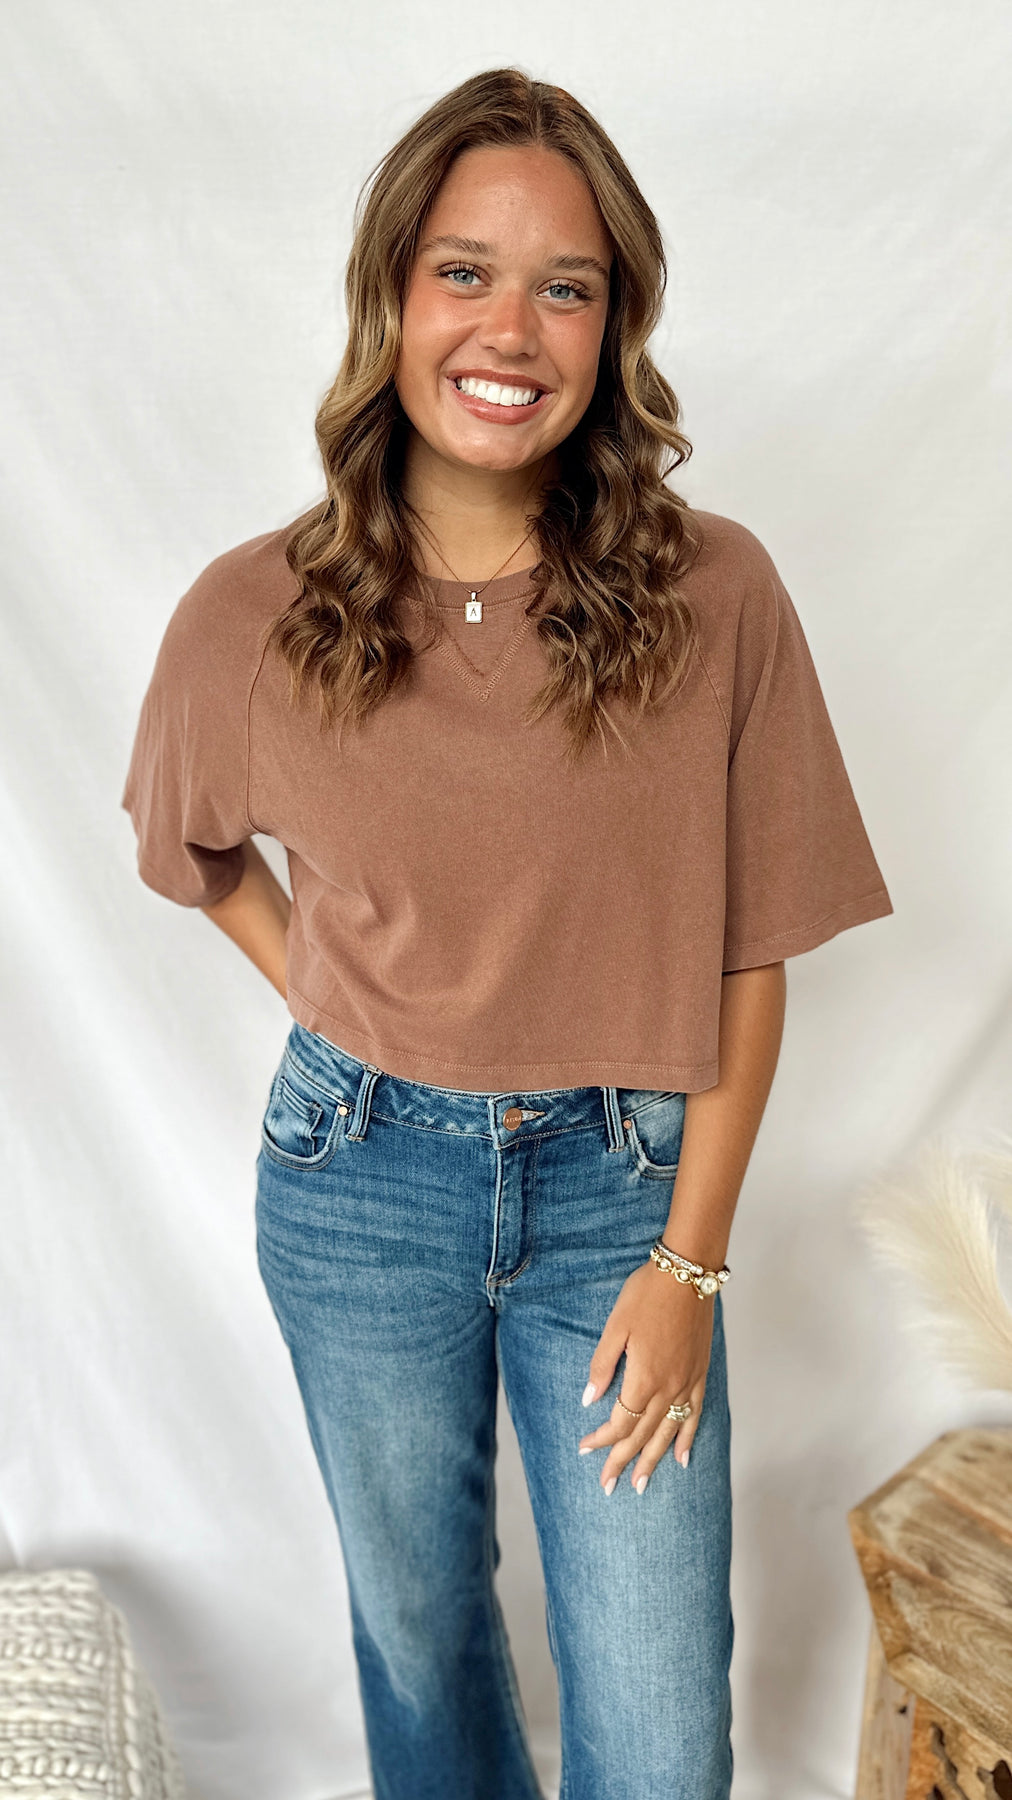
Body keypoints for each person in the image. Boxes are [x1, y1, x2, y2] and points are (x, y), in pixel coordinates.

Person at [120, 66, 894, 1800]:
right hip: (356, 1184)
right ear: (391, 294)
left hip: (627, 1194)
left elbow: (751, 955)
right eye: (464, 271)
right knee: (422, 1647)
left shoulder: (717, 595)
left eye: (568, 286)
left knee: (658, 1722)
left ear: (615, 329)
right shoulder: (250, 617)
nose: (511, 330)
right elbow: (200, 858)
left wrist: (689, 1265)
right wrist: (356, 1007)